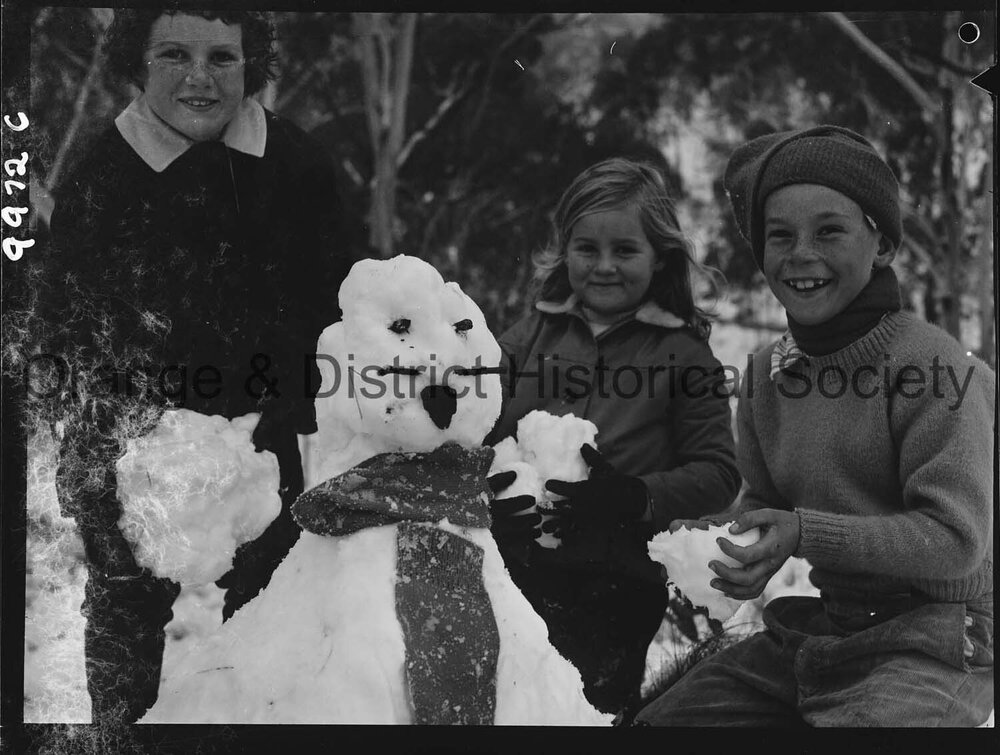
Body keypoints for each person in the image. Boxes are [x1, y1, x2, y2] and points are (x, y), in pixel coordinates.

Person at [42, 9, 351, 724]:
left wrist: (303, 406)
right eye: (174, 54)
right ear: (137, 61)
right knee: (125, 609)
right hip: (135, 432)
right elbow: (67, 319)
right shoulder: (105, 170)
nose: (200, 76)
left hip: (261, 426)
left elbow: (329, 301)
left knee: (274, 598)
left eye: (223, 57)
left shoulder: (298, 163)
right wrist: (89, 443)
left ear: (253, 66)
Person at [635, 125, 995, 727]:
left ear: (880, 244)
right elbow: (768, 505)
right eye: (780, 236)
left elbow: (956, 542)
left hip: (946, 640)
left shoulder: (936, 370)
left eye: (829, 231)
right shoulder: (766, 374)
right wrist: (719, 540)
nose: (801, 254)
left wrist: (801, 534)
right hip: (837, 626)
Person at [485, 158, 741, 720]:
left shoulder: (686, 358)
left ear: (660, 257)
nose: (604, 267)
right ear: (564, 249)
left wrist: (634, 496)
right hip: (515, 566)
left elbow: (719, 474)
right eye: (587, 249)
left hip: (615, 586)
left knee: (586, 713)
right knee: (507, 703)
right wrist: (490, 495)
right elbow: (475, 424)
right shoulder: (529, 336)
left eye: (625, 251)